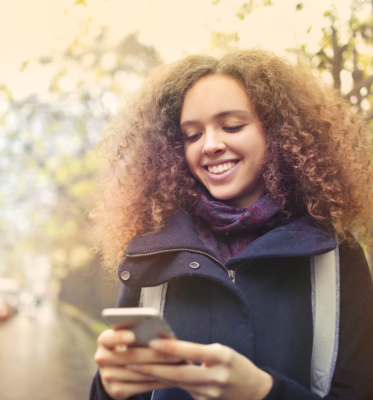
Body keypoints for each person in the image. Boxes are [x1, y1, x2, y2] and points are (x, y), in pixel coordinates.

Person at [89, 49, 373, 400]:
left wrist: (263, 393)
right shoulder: (151, 248)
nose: (210, 145)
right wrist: (107, 387)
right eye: (192, 135)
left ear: (277, 131)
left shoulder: (335, 254)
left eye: (232, 126)